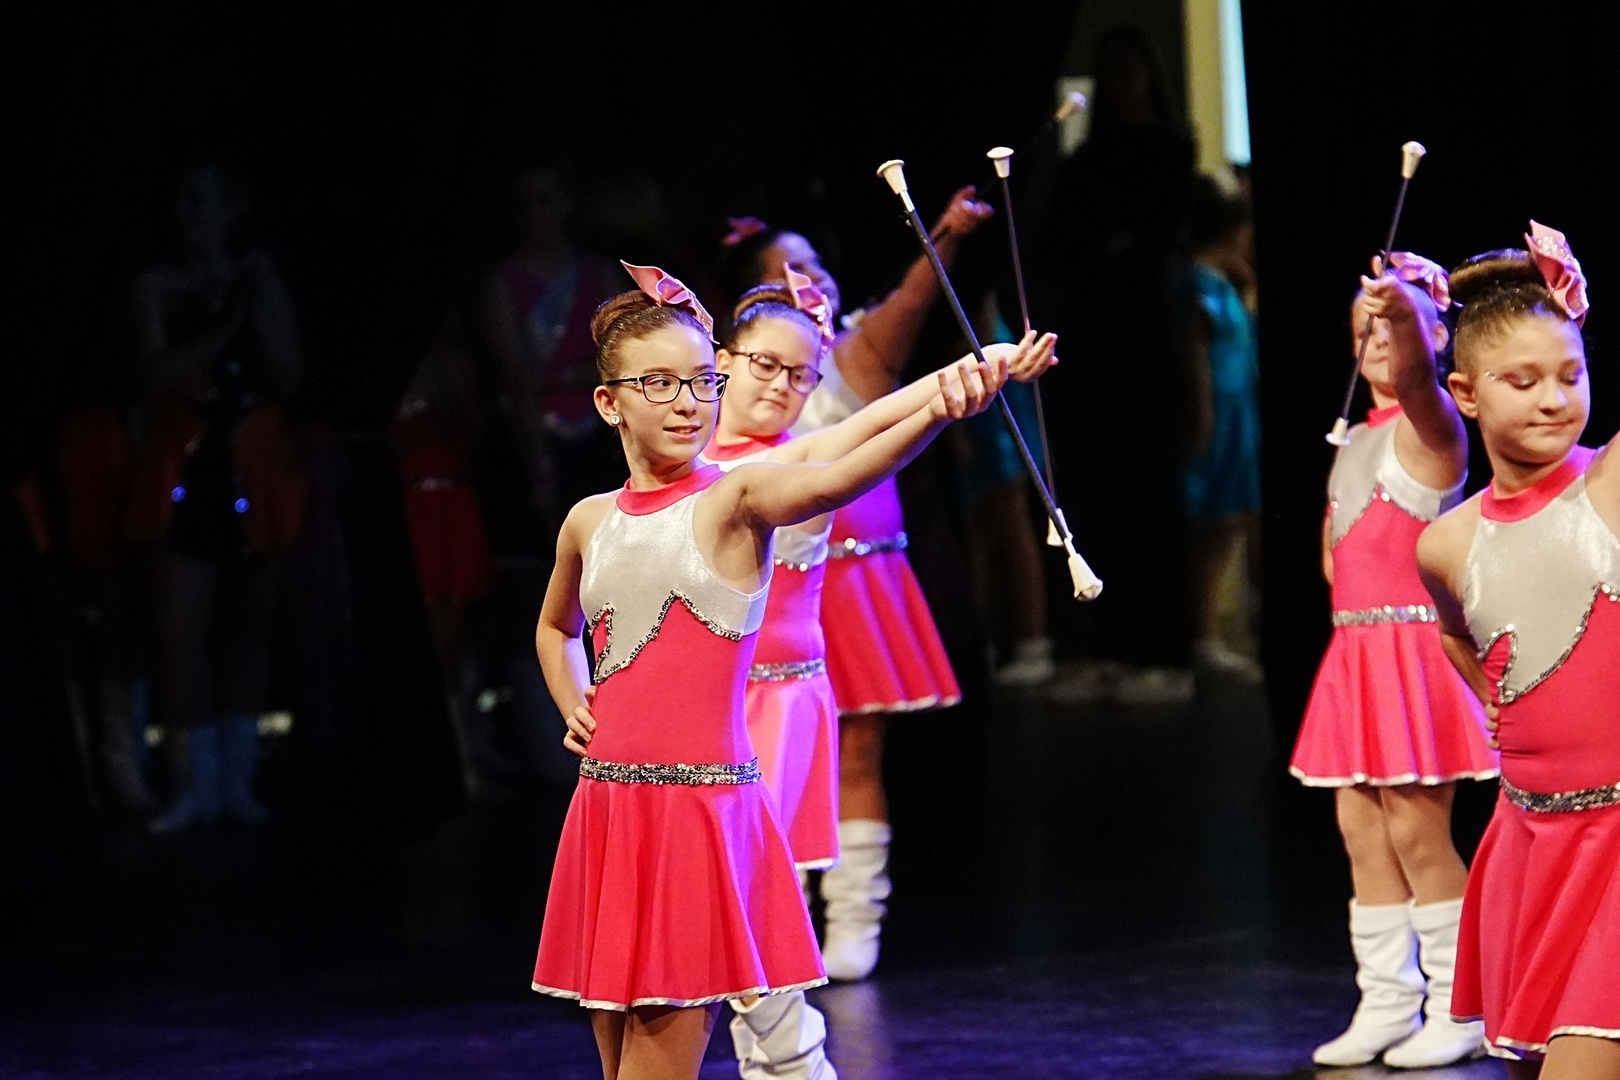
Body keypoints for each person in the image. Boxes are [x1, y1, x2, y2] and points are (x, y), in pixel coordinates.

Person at [531, 264, 1017, 1080]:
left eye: (701, 381)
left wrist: (942, 404)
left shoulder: (737, 497)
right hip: (610, 813)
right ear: (609, 403)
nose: (688, 402)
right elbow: (555, 627)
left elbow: (837, 474)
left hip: (698, 818)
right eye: (660, 383)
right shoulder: (589, 521)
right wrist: (570, 695)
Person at [698, 269, 1054, 1077]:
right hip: (703, 705)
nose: (782, 387)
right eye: (764, 366)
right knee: (718, 902)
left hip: (782, 703)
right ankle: (782, 1057)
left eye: (801, 375)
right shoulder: (688, 460)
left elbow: (881, 420)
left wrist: (981, 370)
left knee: (760, 891)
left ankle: (791, 1059)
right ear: (721, 362)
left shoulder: (801, 459)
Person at [717, 189, 993, 981]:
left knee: (858, 751)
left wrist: (948, 232)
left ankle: (854, 914)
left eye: (813, 264)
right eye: (786, 269)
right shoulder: (735, 382)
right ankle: (778, 911)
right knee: (762, 755)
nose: (808, 279)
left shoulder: (851, 353)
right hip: (766, 591)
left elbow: (914, 297)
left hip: (856, 580)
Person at [1416, 224, 1619, 1079]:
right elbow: (1456, 631)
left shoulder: (1607, 485)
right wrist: (1495, 700)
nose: (1553, 399)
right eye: (1522, 380)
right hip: (1533, 841)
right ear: (1465, 393)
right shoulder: (1446, 543)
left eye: (1570, 374)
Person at [1292, 253, 1498, 1068]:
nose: (1377, 339)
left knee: (1417, 831)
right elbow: (1336, 556)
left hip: (1411, 654)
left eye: (1393, 325)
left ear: (1434, 336)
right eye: (1364, 329)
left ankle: (1458, 1003)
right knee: (1361, 829)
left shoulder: (1430, 428)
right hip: (1355, 651)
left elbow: (1416, 380)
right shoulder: (1356, 438)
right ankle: (1386, 1000)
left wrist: (1407, 311)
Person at [127, 161, 304, 833]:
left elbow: (287, 374)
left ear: (233, 208)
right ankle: (192, 783)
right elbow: (156, 375)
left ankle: (237, 781)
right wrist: (226, 324)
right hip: (184, 461)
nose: (191, 216)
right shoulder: (156, 287)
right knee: (179, 633)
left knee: (247, 629)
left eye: (203, 201)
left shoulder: (260, 280)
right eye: (183, 202)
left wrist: (256, 304)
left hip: (253, 463)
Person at [1177, 176, 1262, 681]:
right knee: (1212, 524)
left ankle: (1211, 633)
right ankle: (1204, 634)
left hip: (1238, 414)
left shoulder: (1224, 280)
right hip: (1217, 417)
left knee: (1230, 520)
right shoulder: (1199, 286)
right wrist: (1203, 416)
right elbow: (1196, 360)